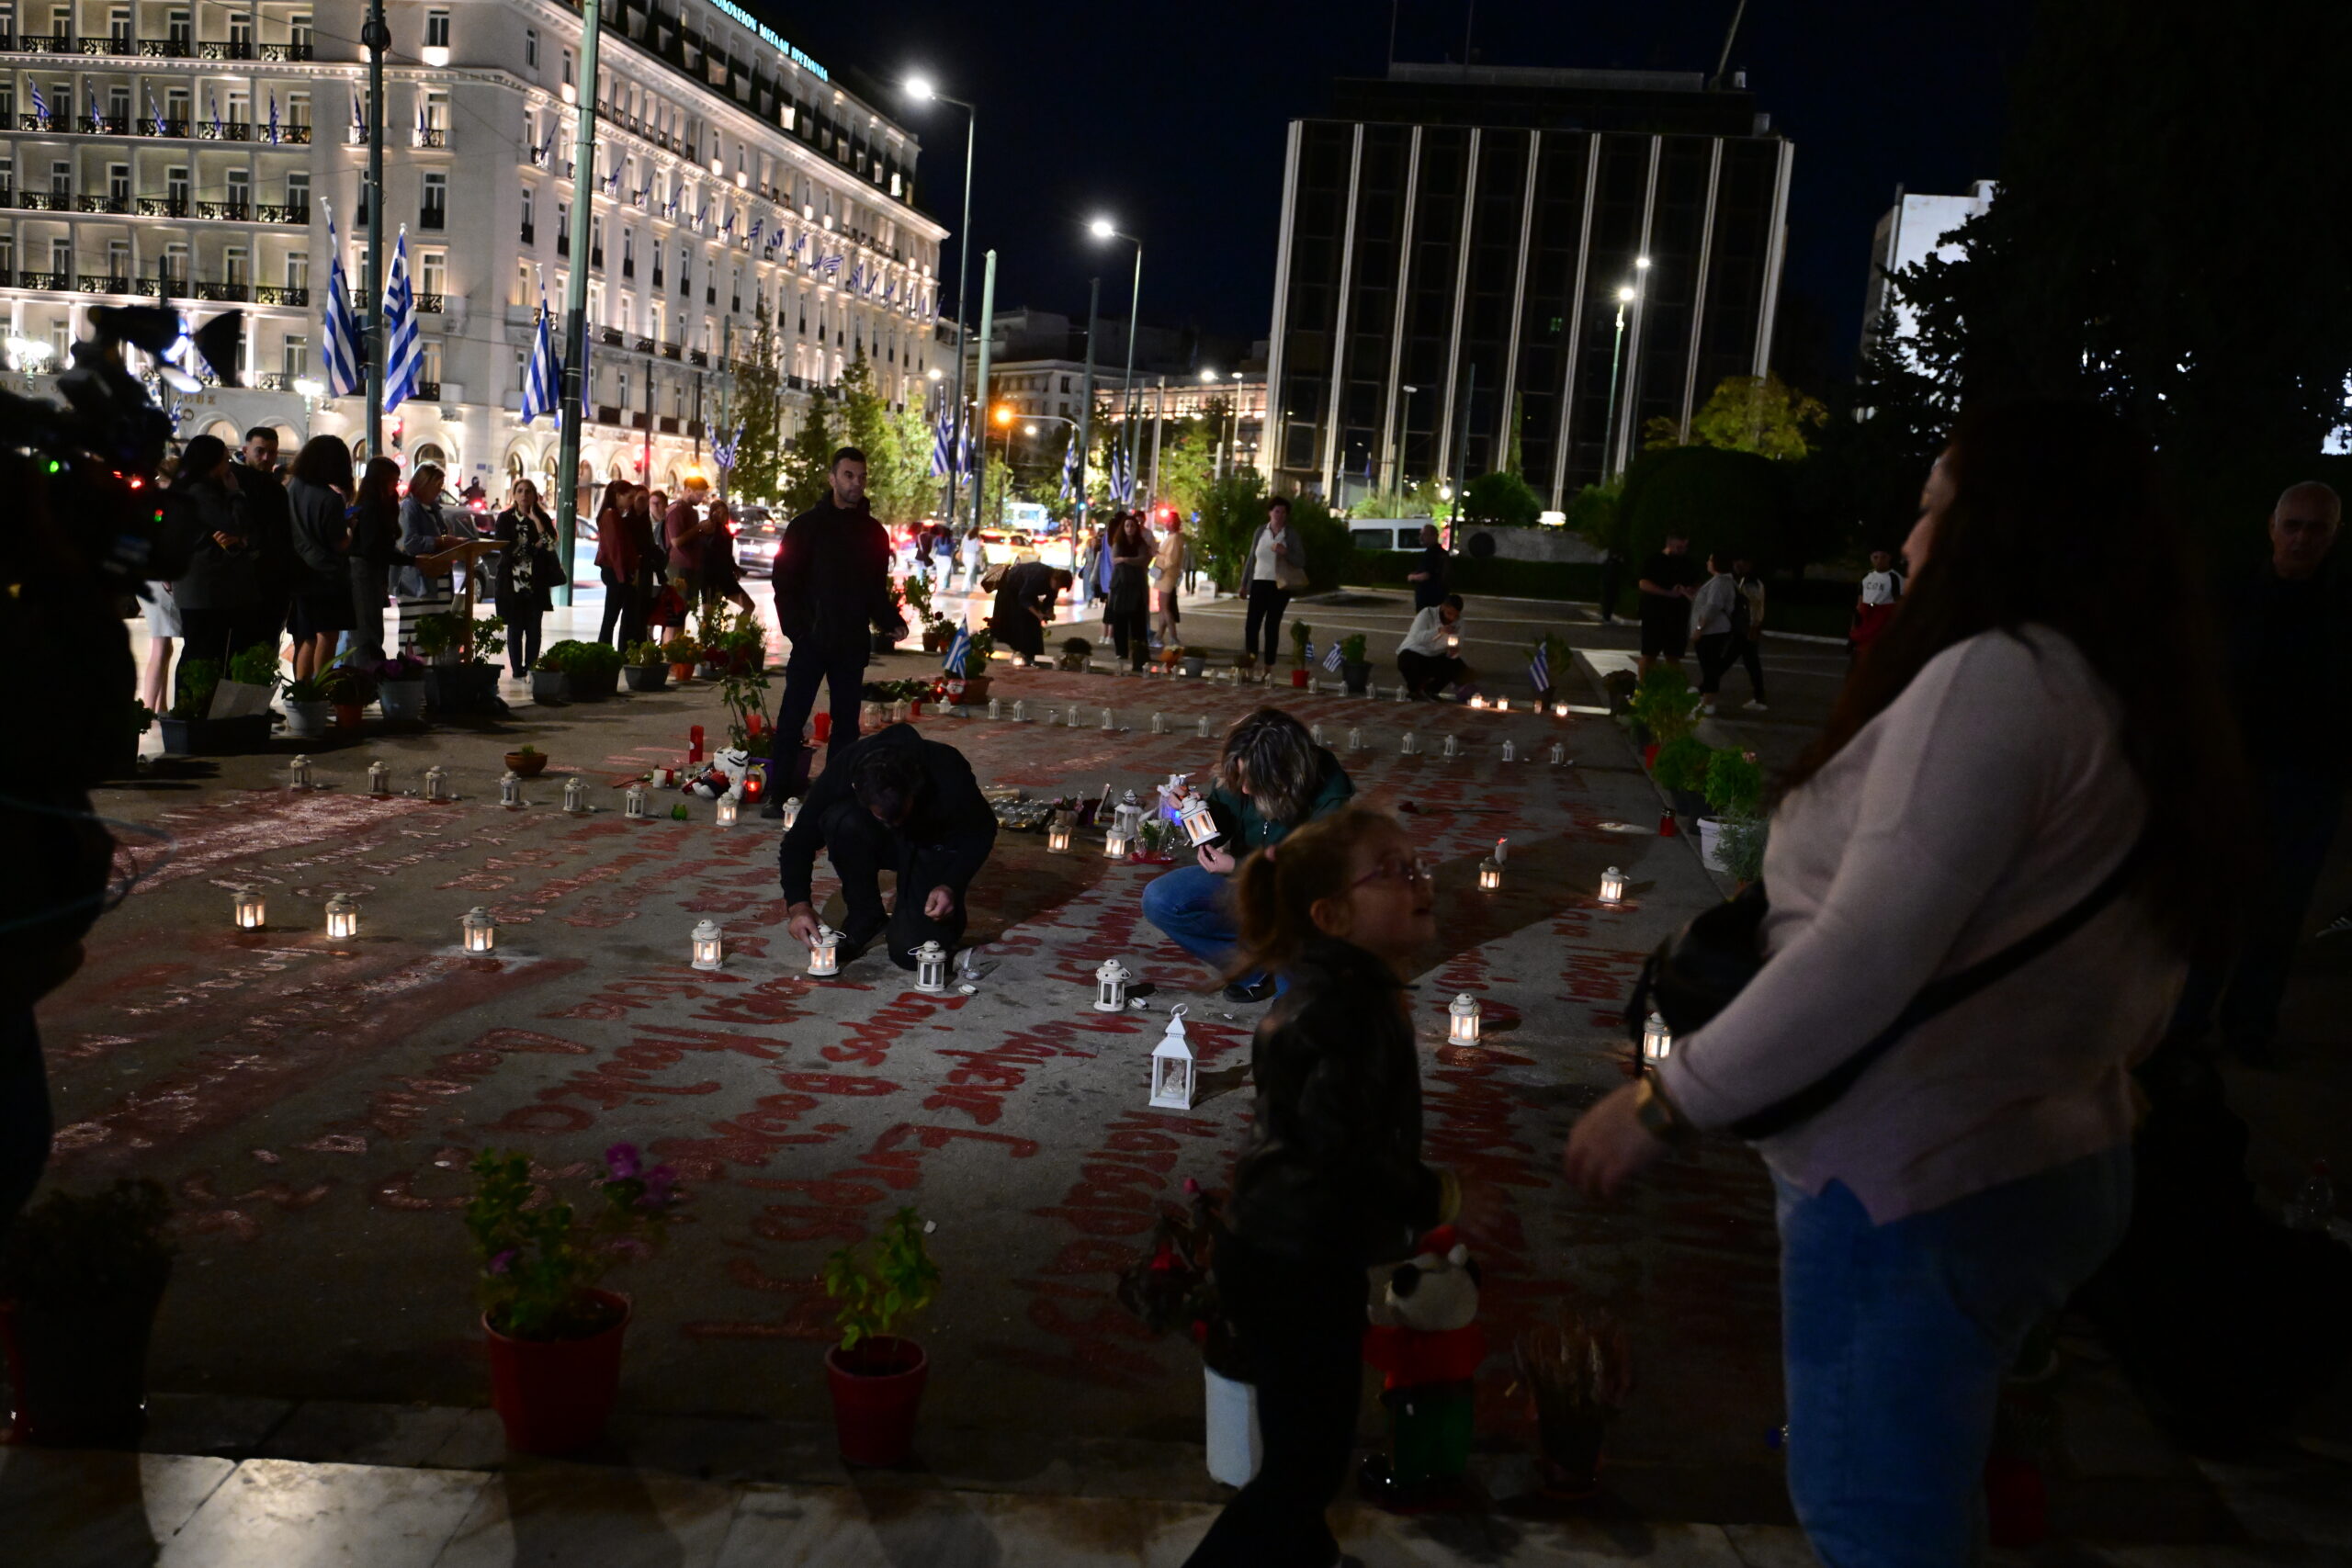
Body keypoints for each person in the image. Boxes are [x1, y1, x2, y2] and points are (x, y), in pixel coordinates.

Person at [1563, 402, 2245, 1568]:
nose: (1911, 541)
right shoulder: (2129, 696)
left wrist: (1667, 1102)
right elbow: (2149, 976)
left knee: (1874, 1517)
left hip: (1917, 1174)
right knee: (1944, 1490)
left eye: (1933, 510)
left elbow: (1865, 955)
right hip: (2046, 1154)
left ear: (2008, 528)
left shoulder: (1999, 679)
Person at [1179, 805, 1463, 1568]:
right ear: (1333, 914)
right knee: (1303, 1470)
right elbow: (1343, 1148)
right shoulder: (1347, 1007)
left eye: (1417, 864)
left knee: (1304, 1450)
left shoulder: (1347, 991)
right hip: (1294, 1257)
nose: (1418, 879)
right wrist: (1436, 1199)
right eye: (1393, 870)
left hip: (1283, 1246)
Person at [2170, 480, 2348, 1064]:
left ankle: (2249, 1027)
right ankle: (2186, 1023)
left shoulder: (2340, 608)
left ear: (2333, 535)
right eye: (2293, 525)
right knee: (2213, 907)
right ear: (2273, 528)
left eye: (2315, 527)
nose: (2301, 537)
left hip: (2307, 783)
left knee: (2280, 912)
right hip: (2230, 778)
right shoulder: (2228, 598)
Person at [1141, 707, 1354, 1005]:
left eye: (1255, 780)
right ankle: (1253, 968)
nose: (1244, 788)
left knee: (1295, 1012)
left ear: (1288, 774)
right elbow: (1219, 832)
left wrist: (1238, 867)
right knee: (1162, 899)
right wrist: (1194, 811)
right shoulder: (1240, 767)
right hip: (1245, 883)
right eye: (1240, 776)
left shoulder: (1328, 788)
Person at [778, 723, 997, 970]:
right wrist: (798, 906)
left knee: (913, 953)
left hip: (929, 846)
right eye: (886, 819)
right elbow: (798, 842)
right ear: (857, 790)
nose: (895, 824)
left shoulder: (946, 769)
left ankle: (935, 914)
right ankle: (866, 916)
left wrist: (952, 884)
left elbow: (981, 832)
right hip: (876, 841)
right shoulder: (846, 767)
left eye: (901, 815)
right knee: (841, 820)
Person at [762, 447, 900, 811]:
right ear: (832, 478)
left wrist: (891, 621)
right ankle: (779, 793)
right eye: (849, 475)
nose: (857, 483)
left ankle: (836, 795)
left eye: (862, 476)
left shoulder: (874, 534)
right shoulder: (806, 527)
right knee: (792, 717)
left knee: (846, 724)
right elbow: (784, 583)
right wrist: (799, 631)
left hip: (851, 641)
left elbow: (874, 590)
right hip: (811, 640)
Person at [168, 434, 259, 698]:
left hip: (200, 587)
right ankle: (191, 709)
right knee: (202, 652)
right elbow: (235, 524)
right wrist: (236, 493)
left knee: (200, 650)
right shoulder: (200, 492)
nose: (228, 466)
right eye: (224, 460)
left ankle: (192, 709)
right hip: (206, 588)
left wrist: (240, 539)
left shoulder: (186, 489)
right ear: (211, 463)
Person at [282, 435, 353, 680]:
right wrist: (351, 532)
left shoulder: (290, 488)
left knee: (306, 637)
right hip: (327, 575)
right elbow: (339, 543)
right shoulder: (330, 499)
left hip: (298, 574)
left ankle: (302, 692)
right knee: (327, 635)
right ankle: (322, 689)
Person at [343, 455, 411, 661]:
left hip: (367, 573)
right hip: (364, 573)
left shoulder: (366, 505)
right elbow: (374, 548)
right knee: (366, 636)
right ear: (381, 480)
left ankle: (352, 683)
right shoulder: (370, 507)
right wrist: (410, 560)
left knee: (362, 635)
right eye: (393, 480)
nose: (395, 486)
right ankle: (366, 682)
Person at [237, 427, 295, 661]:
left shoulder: (276, 490)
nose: (265, 458)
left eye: (271, 453)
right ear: (245, 450)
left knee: (264, 651)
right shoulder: (235, 484)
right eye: (260, 451)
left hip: (272, 585)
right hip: (244, 583)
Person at [492, 479, 560, 678]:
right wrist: (533, 547)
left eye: (528, 491)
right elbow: (505, 548)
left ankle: (531, 666)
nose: (524, 495)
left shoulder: (542, 518)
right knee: (515, 628)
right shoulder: (505, 519)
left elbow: (549, 545)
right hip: (512, 582)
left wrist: (536, 521)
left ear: (535, 495)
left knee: (534, 628)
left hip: (536, 582)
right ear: (514, 494)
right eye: (520, 491)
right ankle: (517, 670)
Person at [1243, 497, 1301, 668]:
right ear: (1270, 512)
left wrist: (1285, 552)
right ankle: (1250, 660)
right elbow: (1251, 558)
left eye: (1284, 512)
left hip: (1279, 585)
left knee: (1271, 625)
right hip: (1259, 582)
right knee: (1252, 625)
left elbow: (1301, 560)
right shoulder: (1261, 531)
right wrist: (1244, 583)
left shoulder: (1290, 534)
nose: (1280, 515)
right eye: (1277, 511)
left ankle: (1269, 664)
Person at [1635, 531, 1702, 678]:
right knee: (1649, 654)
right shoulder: (1655, 560)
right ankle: (1644, 687)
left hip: (1678, 615)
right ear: (1669, 544)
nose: (1682, 551)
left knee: (1673, 656)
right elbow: (1644, 583)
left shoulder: (1688, 563)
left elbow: (1697, 583)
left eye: (1684, 547)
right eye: (1679, 547)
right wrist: (1668, 593)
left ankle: (1672, 688)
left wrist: (1690, 590)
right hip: (1655, 614)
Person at [989, 558, 1069, 665]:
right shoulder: (1038, 575)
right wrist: (1038, 614)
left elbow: (1049, 600)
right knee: (1020, 623)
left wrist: (1049, 612)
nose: (1058, 588)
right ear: (1055, 579)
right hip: (1010, 591)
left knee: (1032, 625)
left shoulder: (1055, 584)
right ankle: (1020, 653)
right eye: (1059, 585)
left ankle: (1032, 655)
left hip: (1026, 593)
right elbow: (1024, 597)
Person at [1689, 553, 1740, 715]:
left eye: (1710, 560)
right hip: (1716, 630)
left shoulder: (1720, 582)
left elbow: (1713, 606)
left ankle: (1708, 703)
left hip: (1713, 631)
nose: (1708, 562)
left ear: (1717, 563)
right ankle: (1706, 697)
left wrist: (1699, 629)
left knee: (1710, 667)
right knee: (1710, 666)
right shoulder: (1722, 581)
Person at [1396, 594, 1470, 699]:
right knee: (1406, 661)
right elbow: (1417, 637)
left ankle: (1430, 690)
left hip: (1436, 655)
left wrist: (1453, 651)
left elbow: (1458, 643)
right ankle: (1415, 690)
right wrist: (1439, 631)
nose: (1452, 618)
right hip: (1415, 651)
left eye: (1455, 615)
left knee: (1458, 667)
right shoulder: (1427, 614)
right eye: (1449, 613)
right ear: (1443, 607)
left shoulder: (1460, 622)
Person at [1104, 511, 1153, 671]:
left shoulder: (1140, 544)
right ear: (1123, 528)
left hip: (1137, 585)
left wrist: (1125, 559)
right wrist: (1127, 561)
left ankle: (1139, 651)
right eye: (1127, 525)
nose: (1130, 528)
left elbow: (1142, 559)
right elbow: (1115, 560)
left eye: (1132, 525)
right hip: (1120, 586)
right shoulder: (1118, 542)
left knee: (1138, 620)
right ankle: (1121, 651)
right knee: (1120, 619)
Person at [663, 477, 718, 613]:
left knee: (688, 608)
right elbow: (676, 541)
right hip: (679, 567)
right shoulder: (676, 510)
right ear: (688, 490)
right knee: (678, 610)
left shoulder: (691, 511)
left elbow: (692, 537)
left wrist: (703, 531)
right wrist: (698, 528)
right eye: (699, 494)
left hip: (691, 566)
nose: (702, 498)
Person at [593, 479, 637, 646]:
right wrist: (622, 576)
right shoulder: (611, 515)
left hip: (616, 570)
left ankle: (605, 649)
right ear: (618, 496)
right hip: (615, 571)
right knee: (610, 616)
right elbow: (615, 548)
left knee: (611, 615)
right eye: (629, 497)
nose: (631, 502)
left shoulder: (613, 514)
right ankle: (604, 649)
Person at [1729, 557, 1770, 711]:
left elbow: (1755, 609)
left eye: (1742, 561)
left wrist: (1753, 628)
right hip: (1744, 629)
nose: (1738, 564)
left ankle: (1704, 689)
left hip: (1744, 629)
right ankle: (1760, 697)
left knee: (1730, 660)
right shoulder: (1744, 581)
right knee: (1749, 663)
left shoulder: (1750, 584)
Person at [1849, 548, 1905, 659]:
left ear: (1889, 558)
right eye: (1875, 557)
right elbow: (1861, 599)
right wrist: (1855, 622)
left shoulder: (1894, 578)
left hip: (1882, 616)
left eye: (1883, 557)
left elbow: (1899, 601)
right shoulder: (1867, 576)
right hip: (1867, 614)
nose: (1879, 561)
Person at [1153, 513, 1188, 653]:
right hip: (1165, 575)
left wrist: (1157, 555)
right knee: (1163, 607)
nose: (1168, 524)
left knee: (1165, 607)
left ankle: (1174, 637)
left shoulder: (1174, 539)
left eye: (1170, 522)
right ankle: (1159, 636)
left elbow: (1171, 560)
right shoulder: (1174, 538)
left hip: (1166, 575)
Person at [1405, 522, 1449, 611]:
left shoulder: (1431, 554)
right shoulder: (1442, 553)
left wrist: (1412, 577)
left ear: (1434, 536)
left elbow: (1425, 575)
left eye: (1424, 535)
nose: (1421, 537)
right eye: (1421, 534)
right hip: (1440, 597)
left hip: (1428, 599)